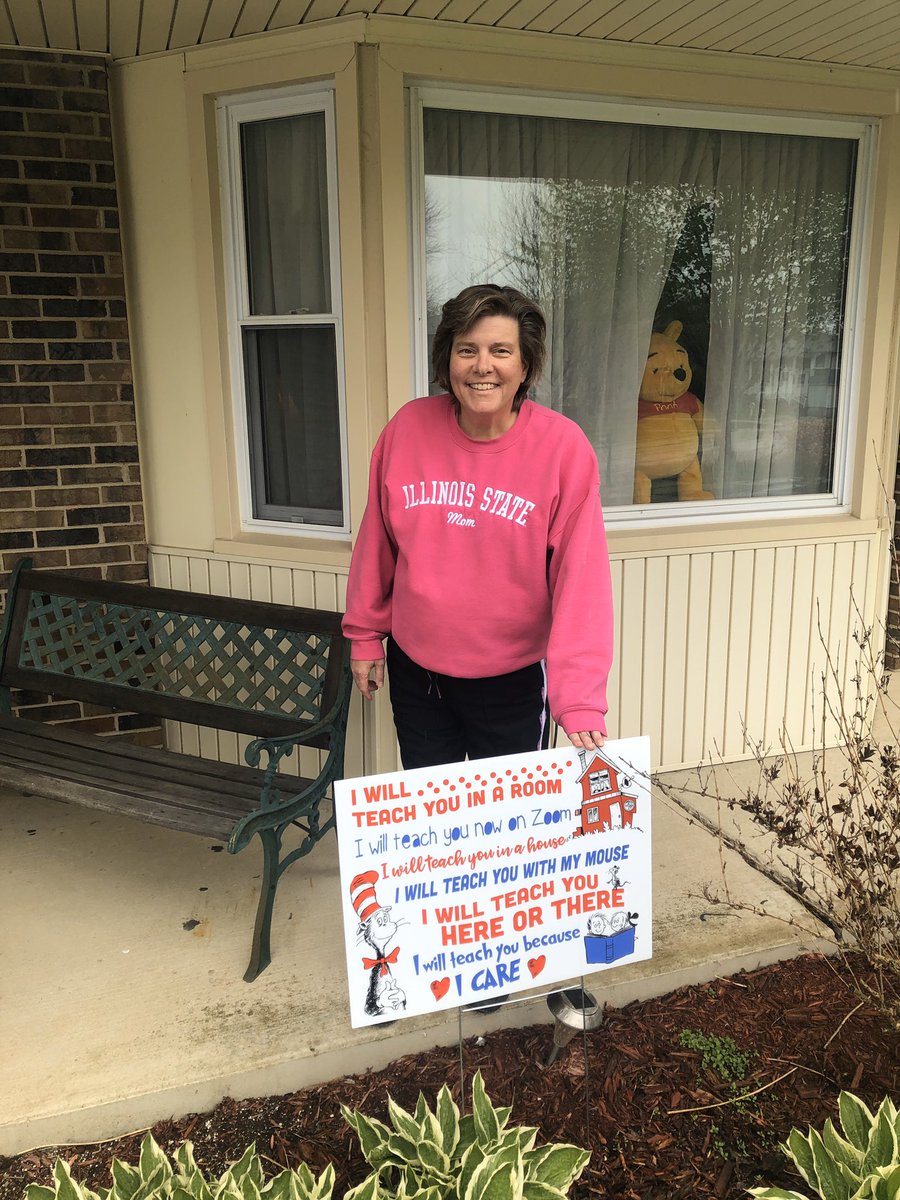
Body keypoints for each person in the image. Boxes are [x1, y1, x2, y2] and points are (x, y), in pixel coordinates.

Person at [343, 283, 613, 770]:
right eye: (467, 350)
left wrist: (579, 695)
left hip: (514, 679)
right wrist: (364, 634)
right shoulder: (406, 430)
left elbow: (582, 579)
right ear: (448, 361)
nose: (482, 366)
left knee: (509, 832)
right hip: (417, 673)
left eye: (500, 351)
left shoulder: (562, 449)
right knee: (434, 819)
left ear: (524, 366)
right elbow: (376, 543)